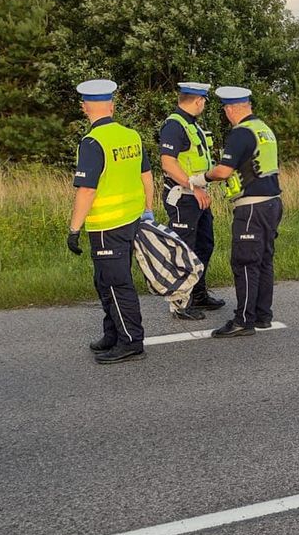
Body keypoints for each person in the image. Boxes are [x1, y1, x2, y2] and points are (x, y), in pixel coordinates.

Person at [66, 79, 154, 364]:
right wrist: (148, 209)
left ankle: (130, 340)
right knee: (105, 281)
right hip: (131, 220)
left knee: (115, 283)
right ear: (111, 105)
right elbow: (147, 176)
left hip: (106, 226)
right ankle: (113, 333)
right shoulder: (131, 136)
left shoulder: (92, 143)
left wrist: (74, 228)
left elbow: (87, 190)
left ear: (84, 108)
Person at [191, 86, 281, 338]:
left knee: (244, 262)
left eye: (225, 110)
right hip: (272, 203)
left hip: (251, 205)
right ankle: (263, 314)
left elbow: (223, 171)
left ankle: (243, 320)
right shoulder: (264, 129)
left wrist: (200, 178)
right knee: (263, 259)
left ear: (231, 109)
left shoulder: (241, 133)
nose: (226, 115)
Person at [157, 80, 225, 319]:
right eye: (204, 100)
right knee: (184, 250)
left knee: (204, 246)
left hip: (197, 197)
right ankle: (180, 304)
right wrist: (193, 186)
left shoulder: (191, 125)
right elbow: (168, 163)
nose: (204, 104)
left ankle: (198, 295)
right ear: (198, 100)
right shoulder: (174, 126)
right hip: (183, 197)